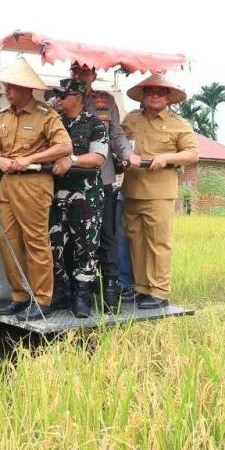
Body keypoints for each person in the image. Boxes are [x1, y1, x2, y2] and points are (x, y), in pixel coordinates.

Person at [0, 58, 72, 321]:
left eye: (12, 87)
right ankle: (20, 296)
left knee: (35, 242)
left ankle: (42, 299)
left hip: (34, 184)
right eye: (5, 87)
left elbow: (65, 147)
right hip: (8, 183)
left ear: (27, 89)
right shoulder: (5, 117)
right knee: (7, 241)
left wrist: (31, 159)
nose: (6, 92)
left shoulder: (46, 116)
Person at [121, 73, 199, 309]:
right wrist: (124, 157)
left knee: (159, 242)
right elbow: (120, 144)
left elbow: (192, 154)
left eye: (160, 91)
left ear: (168, 97)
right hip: (132, 189)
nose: (154, 95)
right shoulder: (132, 119)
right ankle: (143, 288)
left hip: (159, 192)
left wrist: (166, 158)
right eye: (149, 91)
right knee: (137, 241)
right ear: (143, 95)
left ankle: (159, 292)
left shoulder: (179, 123)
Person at [68, 62, 139, 311]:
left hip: (103, 178)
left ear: (94, 74)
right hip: (70, 180)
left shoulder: (106, 100)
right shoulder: (59, 97)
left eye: (84, 72)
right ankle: (76, 292)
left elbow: (117, 135)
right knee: (72, 238)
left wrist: (128, 154)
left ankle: (110, 288)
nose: (79, 75)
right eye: (75, 71)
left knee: (106, 235)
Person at [47, 79, 108, 319]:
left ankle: (82, 297)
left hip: (86, 196)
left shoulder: (94, 124)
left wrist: (71, 160)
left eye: (65, 95)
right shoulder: (54, 123)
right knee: (52, 245)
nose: (59, 99)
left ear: (80, 98)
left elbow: (98, 158)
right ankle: (60, 292)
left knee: (86, 248)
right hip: (56, 195)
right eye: (58, 96)